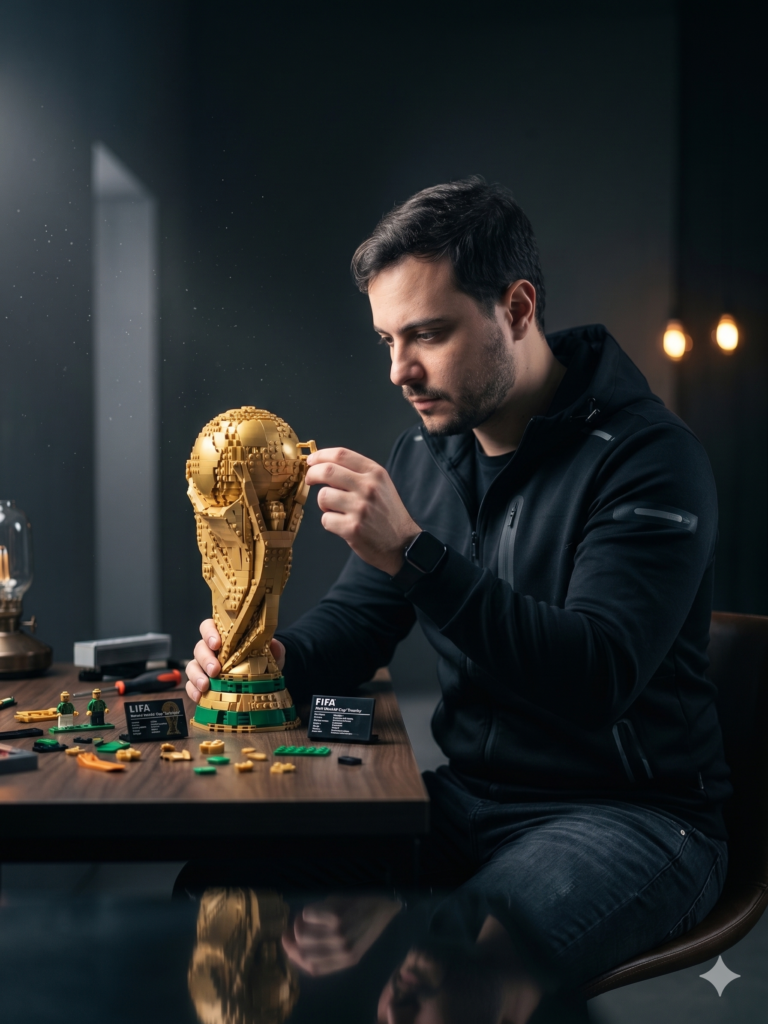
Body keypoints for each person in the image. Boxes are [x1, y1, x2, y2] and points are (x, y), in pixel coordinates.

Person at [185, 177, 730, 988]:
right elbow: (359, 623)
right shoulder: (424, 454)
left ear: (516, 308)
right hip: (465, 801)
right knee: (222, 891)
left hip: (631, 818)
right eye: (386, 340)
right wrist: (264, 661)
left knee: (457, 967)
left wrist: (413, 553)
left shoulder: (650, 458)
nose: (399, 371)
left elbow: (598, 676)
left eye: (428, 335)